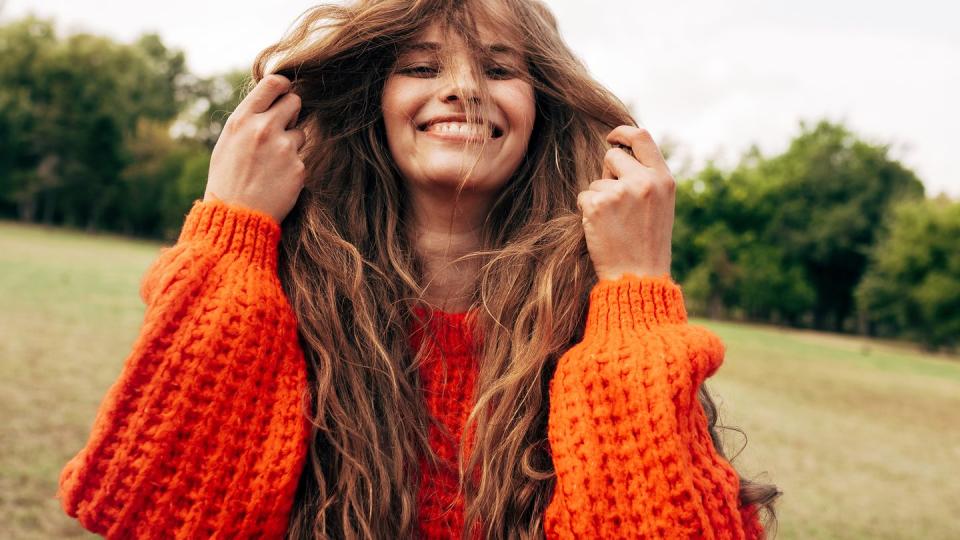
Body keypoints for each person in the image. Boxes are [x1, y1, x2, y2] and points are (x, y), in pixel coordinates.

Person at [57, 0, 781, 538]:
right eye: (421, 67)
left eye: (500, 68)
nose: (464, 88)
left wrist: (632, 292)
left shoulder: (595, 325)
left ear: (543, 110)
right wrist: (232, 226)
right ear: (375, 99)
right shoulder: (277, 289)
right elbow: (152, 513)